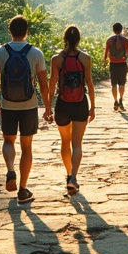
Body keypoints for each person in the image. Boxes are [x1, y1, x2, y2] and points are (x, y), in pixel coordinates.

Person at [0, 15, 50, 203]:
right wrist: (47, 107)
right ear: (27, 31)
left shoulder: (0, 52)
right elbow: (43, 83)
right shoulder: (35, 52)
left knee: (8, 140)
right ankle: (23, 190)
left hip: (8, 104)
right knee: (26, 146)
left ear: (10, 31)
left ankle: (10, 171)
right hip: (29, 105)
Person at [45, 25, 96, 195]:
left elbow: (52, 84)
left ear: (64, 38)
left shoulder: (56, 59)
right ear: (79, 39)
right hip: (81, 103)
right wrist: (93, 106)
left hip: (62, 105)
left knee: (65, 141)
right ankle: (74, 177)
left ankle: (68, 175)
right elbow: (89, 83)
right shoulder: (86, 58)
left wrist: (47, 106)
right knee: (77, 144)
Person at [104, 22, 128, 112]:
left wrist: (105, 62)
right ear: (121, 30)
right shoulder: (125, 41)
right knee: (122, 83)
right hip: (122, 64)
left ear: (113, 30)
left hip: (113, 64)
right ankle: (121, 99)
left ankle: (115, 101)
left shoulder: (109, 40)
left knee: (113, 84)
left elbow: (106, 53)